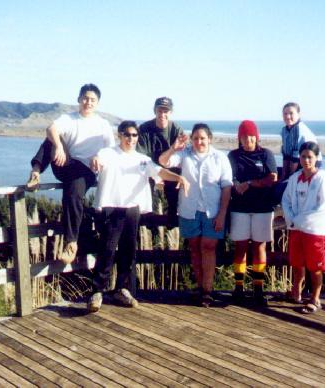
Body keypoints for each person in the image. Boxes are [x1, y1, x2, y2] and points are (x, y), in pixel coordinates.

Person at [87, 121, 190, 313]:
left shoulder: (142, 159)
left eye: (134, 135)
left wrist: (179, 178)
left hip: (132, 209)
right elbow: (97, 159)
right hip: (111, 207)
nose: (131, 139)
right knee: (107, 249)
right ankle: (97, 291)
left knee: (128, 250)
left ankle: (122, 289)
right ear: (119, 135)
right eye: (127, 135)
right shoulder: (108, 153)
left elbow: (159, 172)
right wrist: (95, 160)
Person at [25, 84, 115, 264]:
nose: (88, 102)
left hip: (87, 170)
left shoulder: (103, 125)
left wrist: (99, 156)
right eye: (85, 98)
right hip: (67, 163)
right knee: (52, 137)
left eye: (92, 100)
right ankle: (35, 172)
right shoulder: (69, 118)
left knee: (73, 193)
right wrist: (59, 145)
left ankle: (71, 243)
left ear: (97, 103)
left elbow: (111, 150)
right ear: (79, 99)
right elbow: (51, 128)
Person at [159, 123, 232, 307]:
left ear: (210, 139)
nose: (199, 142)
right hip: (189, 209)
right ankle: (200, 288)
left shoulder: (220, 158)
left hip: (212, 210)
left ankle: (207, 290)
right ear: (191, 139)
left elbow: (226, 187)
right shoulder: (185, 155)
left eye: (203, 138)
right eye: (196, 138)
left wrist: (222, 214)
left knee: (208, 247)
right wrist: (174, 148)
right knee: (194, 248)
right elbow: (163, 161)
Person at [227, 120, 278, 306]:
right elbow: (227, 177)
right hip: (239, 208)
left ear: (257, 137)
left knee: (259, 247)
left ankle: (258, 289)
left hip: (262, 208)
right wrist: (236, 185)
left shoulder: (266, 154)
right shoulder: (233, 155)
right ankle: (238, 288)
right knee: (240, 247)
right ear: (239, 138)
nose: (248, 140)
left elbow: (272, 178)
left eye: (251, 136)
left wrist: (249, 184)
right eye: (244, 137)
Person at [281, 141, 325, 314]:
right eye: (303, 156)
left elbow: (324, 207)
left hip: (315, 231)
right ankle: (296, 293)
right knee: (297, 263)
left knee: (315, 267)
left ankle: (315, 299)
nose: (306, 160)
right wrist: (292, 219)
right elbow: (286, 200)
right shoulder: (295, 178)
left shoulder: (322, 178)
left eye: (310, 157)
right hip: (296, 229)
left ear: (317, 158)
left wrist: (299, 220)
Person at [137, 97, 184, 225]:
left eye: (166, 111)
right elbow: (141, 156)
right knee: (145, 182)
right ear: (155, 111)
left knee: (175, 178)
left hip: (169, 166)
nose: (162, 114)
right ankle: (146, 215)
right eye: (159, 111)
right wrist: (156, 173)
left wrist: (165, 173)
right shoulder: (144, 129)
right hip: (149, 167)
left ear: (170, 112)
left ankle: (173, 214)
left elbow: (179, 157)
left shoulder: (176, 130)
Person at [280, 102, 322, 180]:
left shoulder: (299, 129)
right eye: (285, 114)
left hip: (311, 163)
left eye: (291, 113)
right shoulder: (284, 130)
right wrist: (283, 175)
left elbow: (295, 158)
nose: (288, 117)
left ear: (298, 115)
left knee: (285, 186)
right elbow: (286, 155)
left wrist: (289, 179)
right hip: (296, 162)